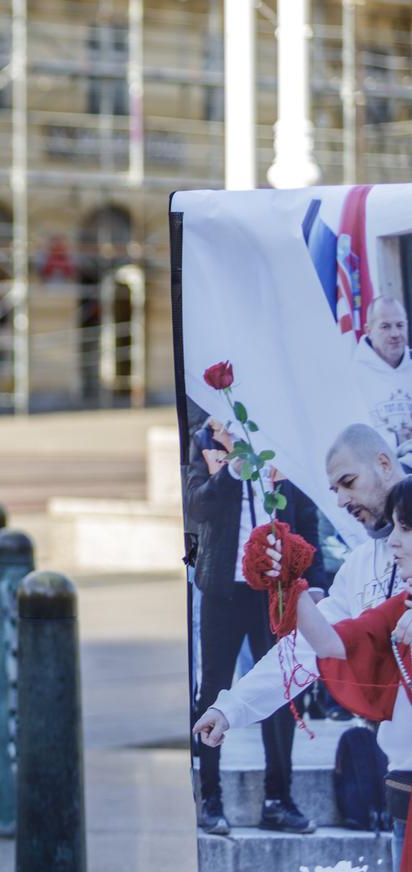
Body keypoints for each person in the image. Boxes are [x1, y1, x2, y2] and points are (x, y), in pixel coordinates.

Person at [194, 424, 410, 848]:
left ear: (384, 463)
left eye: (348, 482)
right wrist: (232, 706)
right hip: (402, 777)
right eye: (333, 490)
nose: (342, 500)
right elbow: (312, 646)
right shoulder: (360, 565)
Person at [184, 416, 320, 835]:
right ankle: (210, 799)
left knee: (283, 685)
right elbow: (195, 507)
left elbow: (306, 512)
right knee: (214, 688)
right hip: (223, 588)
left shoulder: (282, 434)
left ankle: (279, 799)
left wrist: (314, 585)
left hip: (275, 591)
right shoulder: (206, 439)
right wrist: (231, 474)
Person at [274, 476, 412, 871]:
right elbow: (335, 644)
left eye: (405, 528)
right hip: (403, 791)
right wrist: (288, 584)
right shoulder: (400, 604)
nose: (393, 542)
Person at [354, 297, 412, 449]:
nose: (395, 333)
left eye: (400, 325)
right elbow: (352, 441)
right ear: (369, 331)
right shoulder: (352, 376)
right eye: (385, 326)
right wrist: (397, 439)